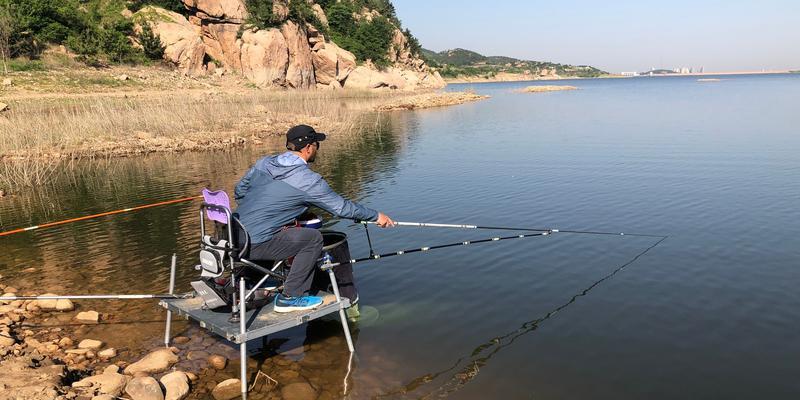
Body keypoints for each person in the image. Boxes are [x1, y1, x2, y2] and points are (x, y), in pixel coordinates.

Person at [234, 125, 395, 314]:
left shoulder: (264, 163)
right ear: (308, 147)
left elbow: (239, 191)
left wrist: (270, 212)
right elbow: (341, 208)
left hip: (233, 234)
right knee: (312, 238)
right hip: (254, 244)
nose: (317, 148)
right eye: (316, 144)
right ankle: (290, 297)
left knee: (284, 228)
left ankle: (256, 277)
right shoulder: (308, 181)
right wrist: (376, 216)